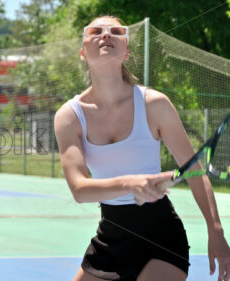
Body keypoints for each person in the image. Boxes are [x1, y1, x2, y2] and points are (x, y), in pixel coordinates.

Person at [54, 15, 230, 281]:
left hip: (162, 237)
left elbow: (194, 169)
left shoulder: (154, 104)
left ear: (126, 51)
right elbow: (79, 189)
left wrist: (215, 230)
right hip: (109, 238)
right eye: (96, 31)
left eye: (115, 31)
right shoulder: (69, 116)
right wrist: (130, 183)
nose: (106, 35)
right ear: (82, 52)